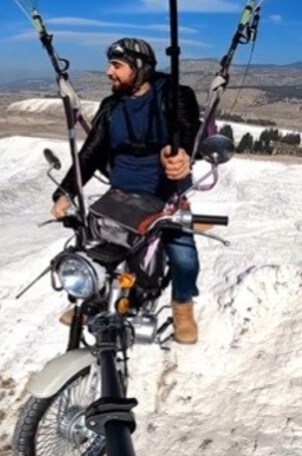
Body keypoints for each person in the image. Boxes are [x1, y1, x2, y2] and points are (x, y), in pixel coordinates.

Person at [51, 37, 202, 344]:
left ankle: (182, 306)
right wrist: (66, 192)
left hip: (164, 195)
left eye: (117, 66)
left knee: (184, 256)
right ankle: (94, 299)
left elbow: (188, 130)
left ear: (140, 68)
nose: (109, 72)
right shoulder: (111, 107)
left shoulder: (173, 96)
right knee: (92, 240)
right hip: (121, 192)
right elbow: (90, 154)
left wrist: (183, 155)